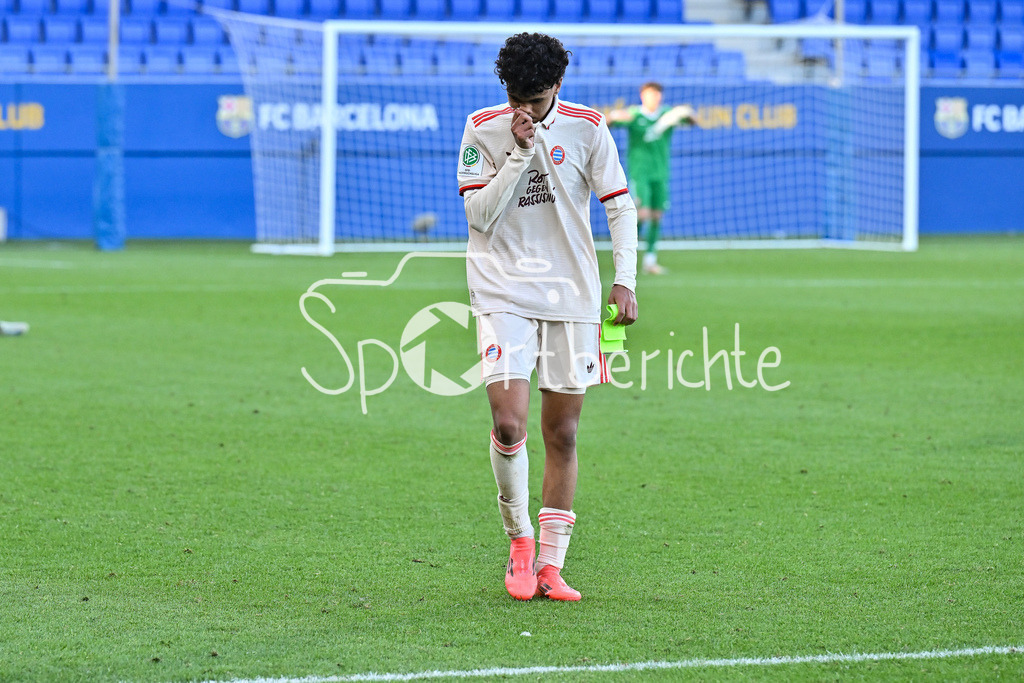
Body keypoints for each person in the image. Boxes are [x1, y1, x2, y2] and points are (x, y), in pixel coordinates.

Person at [457, 33, 639, 602]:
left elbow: (619, 206)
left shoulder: (588, 127)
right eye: (515, 98)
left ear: (557, 86)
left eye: (534, 100)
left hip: (572, 295)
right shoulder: (482, 127)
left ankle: (551, 565)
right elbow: (479, 215)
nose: (524, 109)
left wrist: (626, 280)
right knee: (509, 422)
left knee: (562, 431)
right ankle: (520, 543)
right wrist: (518, 152)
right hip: (502, 289)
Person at [608, 82, 695, 275]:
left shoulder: (666, 114)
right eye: (649, 94)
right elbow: (607, 122)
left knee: (656, 216)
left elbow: (691, 121)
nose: (653, 98)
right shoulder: (635, 115)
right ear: (642, 96)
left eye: (656, 94)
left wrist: (684, 112)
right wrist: (614, 116)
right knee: (642, 214)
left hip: (660, 173)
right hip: (640, 173)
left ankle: (650, 260)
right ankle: (626, 256)